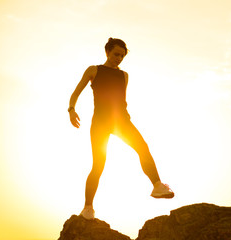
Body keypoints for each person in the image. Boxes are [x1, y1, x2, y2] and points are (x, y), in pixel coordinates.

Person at [68, 38, 174, 220]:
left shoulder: (124, 75)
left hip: (121, 121)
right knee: (98, 165)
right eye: (116, 54)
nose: (119, 58)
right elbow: (76, 92)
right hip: (100, 123)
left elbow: (120, 101)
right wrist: (71, 109)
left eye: (122, 56)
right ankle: (88, 208)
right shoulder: (94, 70)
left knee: (143, 147)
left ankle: (157, 185)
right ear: (107, 52)